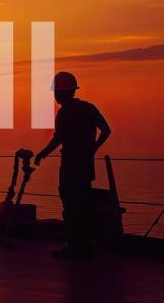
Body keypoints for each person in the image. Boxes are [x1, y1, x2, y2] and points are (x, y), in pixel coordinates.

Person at [35, 71, 110, 259]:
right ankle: (86, 244)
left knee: (70, 204)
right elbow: (106, 130)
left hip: (70, 165)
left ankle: (73, 245)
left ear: (62, 93)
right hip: (85, 165)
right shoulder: (89, 108)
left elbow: (58, 139)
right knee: (83, 203)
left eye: (56, 92)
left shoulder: (64, 114)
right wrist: (93, 149)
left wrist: (43, 154)